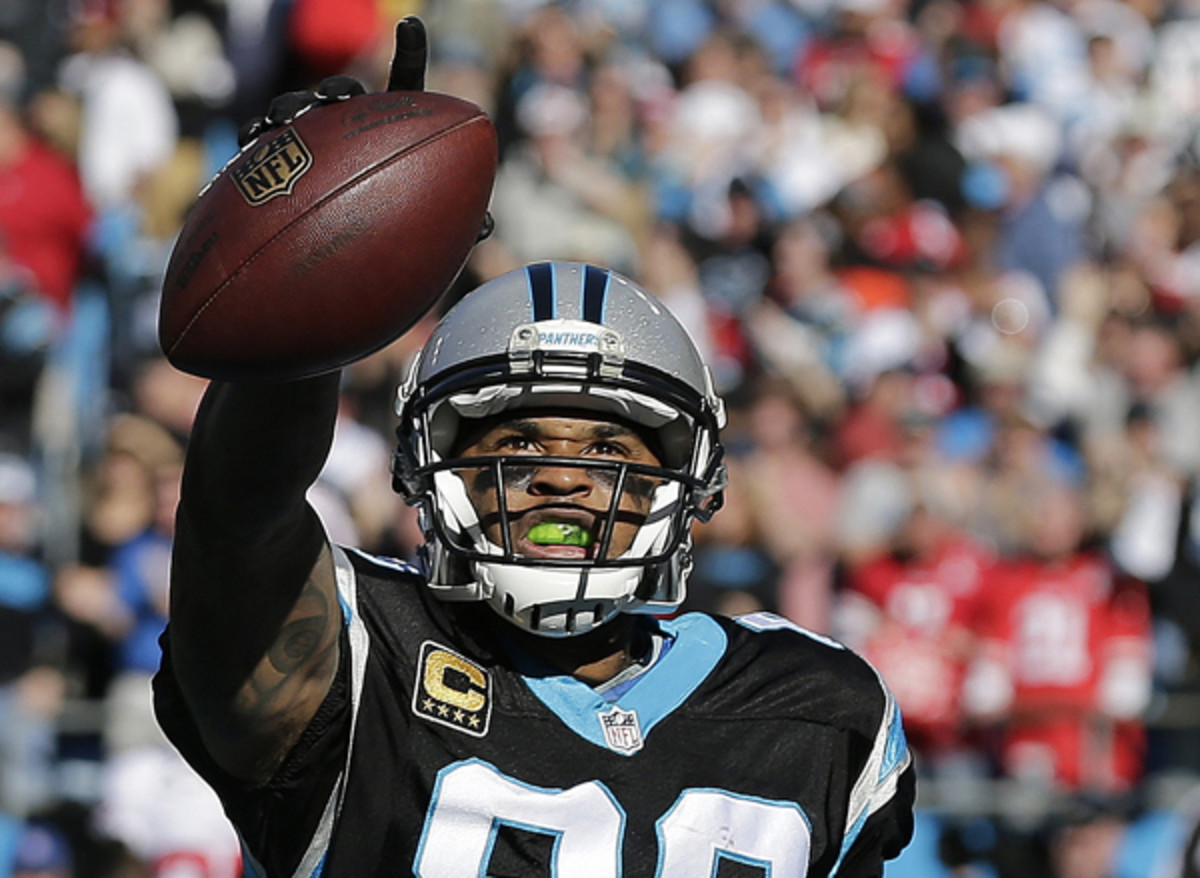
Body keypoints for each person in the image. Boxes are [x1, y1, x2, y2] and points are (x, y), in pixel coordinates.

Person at [152, 18, 915, 877]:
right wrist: (311, 270)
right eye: (516, 440)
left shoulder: (813, 708)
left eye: (608, 449)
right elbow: (237, 517)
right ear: (435, 469)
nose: (559, 476)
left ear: (685, 481)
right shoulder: (363, 655)